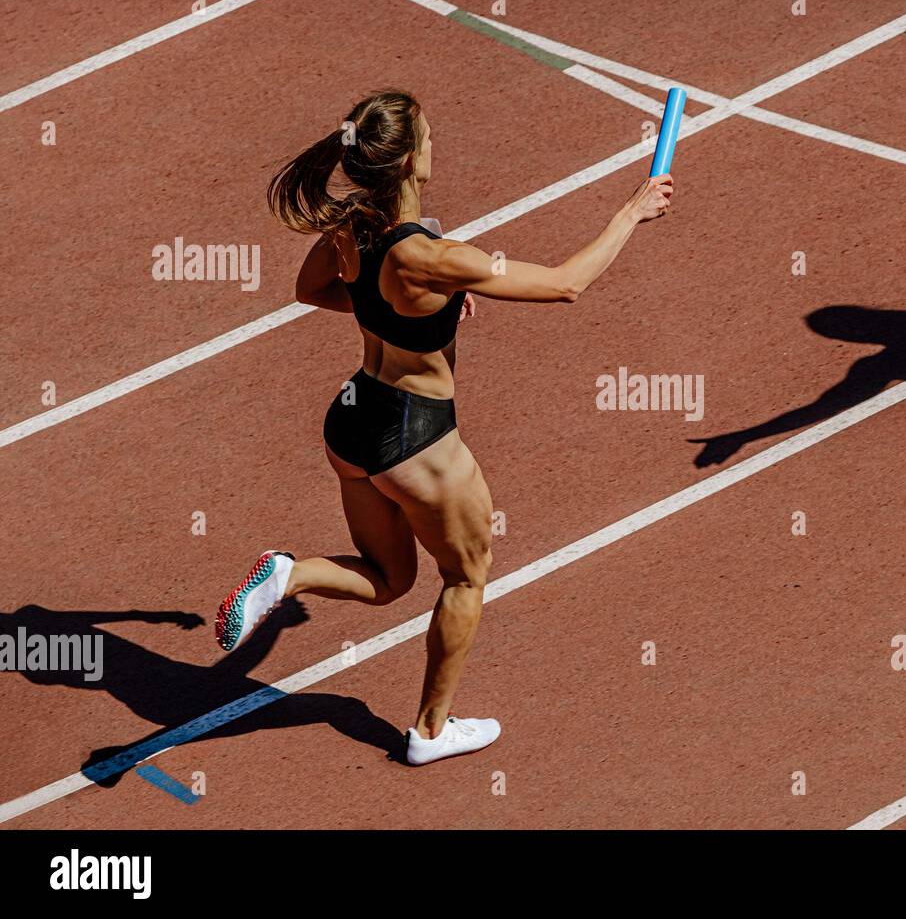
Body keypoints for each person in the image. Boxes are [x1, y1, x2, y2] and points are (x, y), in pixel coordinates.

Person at [215, 89, 674, 763]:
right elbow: (566, 283)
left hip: (352, 423)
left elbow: (313, 291)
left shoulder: (351, 225)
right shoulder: (435, 257)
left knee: (389, 579)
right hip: (418, 440)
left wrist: (416, 318)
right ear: (407, 163)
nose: (435, 145)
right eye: (428, 137)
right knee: (465, 576)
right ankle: (429, 731)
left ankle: (291, 574)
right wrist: (631, 211)